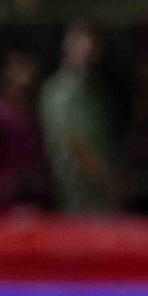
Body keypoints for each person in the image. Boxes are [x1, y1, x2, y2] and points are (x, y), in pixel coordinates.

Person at [39, 20, 120, 212]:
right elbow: (76, 146)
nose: (89, 46)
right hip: (79, 202)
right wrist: (111, 187)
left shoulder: (95, 90)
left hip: (101, 198)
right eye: (81, 40)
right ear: (67, 44)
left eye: (92, 40)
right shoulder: (59, 92)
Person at [0, 47, 50, 210]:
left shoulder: (37, 110)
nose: (27, 72)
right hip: (0, 199)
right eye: (20, 66)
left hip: (32, 195)